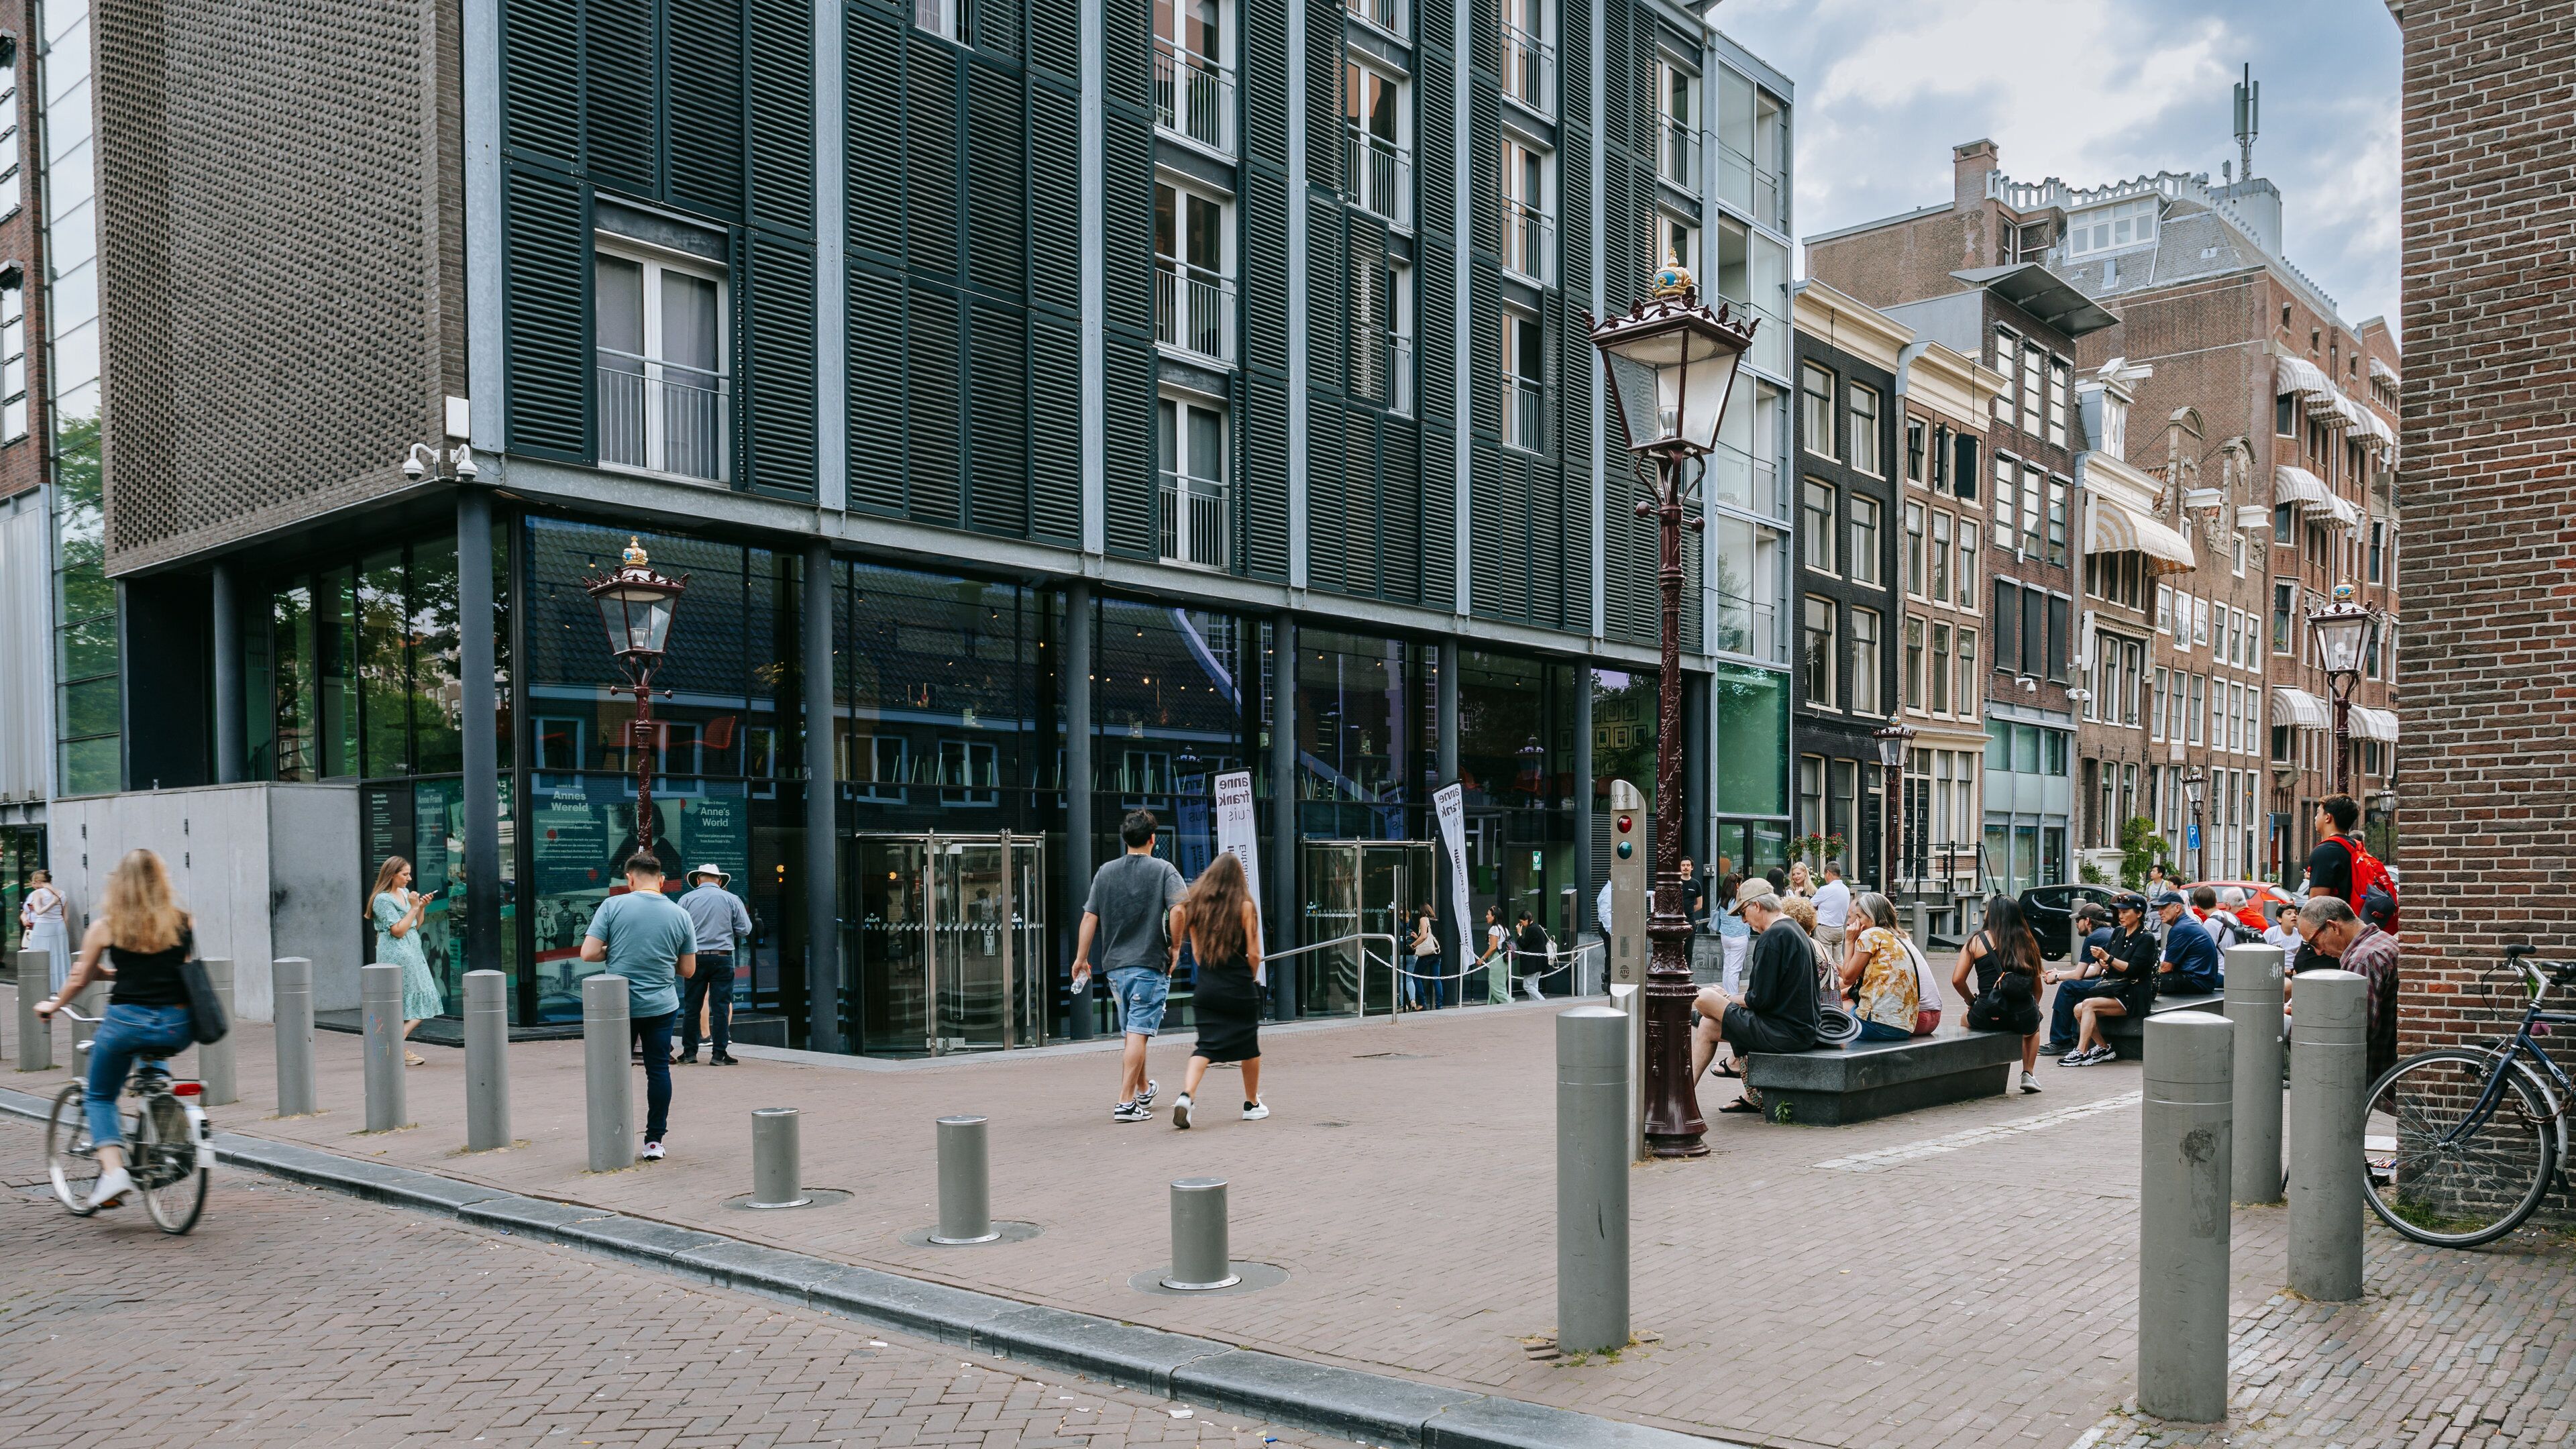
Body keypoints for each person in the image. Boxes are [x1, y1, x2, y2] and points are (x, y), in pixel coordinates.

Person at [33, 849, 200, 1211]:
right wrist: (113, 974)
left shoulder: (107, 927)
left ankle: (113, 1173)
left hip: (127, 1022)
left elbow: (77, 979)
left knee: (100, 1095)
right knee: (154, 1072)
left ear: (119, 884)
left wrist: (53, 1005)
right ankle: (168, 1146)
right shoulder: (184, 921)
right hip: (177, 1024)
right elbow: (173, 972)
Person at [579, 852, 698, 1160]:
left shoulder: (613, 905)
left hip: (618, 1006)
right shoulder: (680, 914)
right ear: (661, 881)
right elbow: (688, 971)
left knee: (612, 1070)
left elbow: (588, 954)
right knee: (658, 1070)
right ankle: (654, 1141)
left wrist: (614, 951)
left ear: (629, 878)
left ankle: (611, 1137)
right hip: (661, 1005)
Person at [1072, 810, 1187, 1123]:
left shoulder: (1105, 872)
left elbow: (1089, 918)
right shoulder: (1164, 870)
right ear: (1153, 839)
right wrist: (1175, 947)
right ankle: (1125, 1103)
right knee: (1138, 1031)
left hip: (1115, 969)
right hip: (1149, 964)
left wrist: (1081, 959)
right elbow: (1178, 910)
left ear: (1125, 840)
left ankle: (1143, 1088)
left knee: (1134, 1031)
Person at [1691, 879, 1823, 1111]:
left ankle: (1702, 1024)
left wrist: (1725, 1000)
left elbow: (1759, 1000)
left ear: (1757, 907)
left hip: (1782, 1032)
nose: (1744, 920)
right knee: (1708, 1026)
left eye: (1743, 912)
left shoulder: (1772, 938)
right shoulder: (1795, 930)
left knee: (1704, 997)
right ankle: (1684, 1095)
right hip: (1798, 1030)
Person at [1166, 852, 1267, 1128]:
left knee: (1205, 1046)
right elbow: (1255, 954)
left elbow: (1197, 956)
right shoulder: (1245, 906)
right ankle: (1251, 1104)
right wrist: (1248, 977)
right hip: (1239, 987)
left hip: (1207, 988)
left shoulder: (1196, 907)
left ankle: (1187, 1096)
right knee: (1249, 1047)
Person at [2295, 895, 2402, 1083]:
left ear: (2333, 927)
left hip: (2376, 1074)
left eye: (2314, 943)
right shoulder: (2381, 940)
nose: (2318, 952)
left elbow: (2352, 1030)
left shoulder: (2362, 960)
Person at [1956, 894, 2045, 1092]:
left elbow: (1957, 980)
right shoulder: (2029, 943)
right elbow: (2038, 988)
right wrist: (2032, 1008)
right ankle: (2028, 1074)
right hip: (2021, 1014)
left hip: (1988, 1010)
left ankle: (1975, 1067)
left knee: (1964, 1021)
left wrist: (1971, 1001)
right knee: (2034, 1029)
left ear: (1991, 914)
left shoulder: (1976, 942)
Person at [2061, 894, 2160, 1066]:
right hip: (2115, 989)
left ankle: (2082, 1052)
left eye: (2125, 912)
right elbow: (2109, 961)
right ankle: (2103, 1047)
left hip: (2133, 993)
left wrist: (2108, 958)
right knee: (2079, 1008)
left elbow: (2132, 969)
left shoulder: (2146, 938)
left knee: (2088, 1005)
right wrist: (2104, 962)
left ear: (2139, 913)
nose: (2120, 916)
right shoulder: (2118, 932)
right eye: (2119, 912)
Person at [367, 856, 443, 1067]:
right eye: (405, 874)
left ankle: (394, 1046)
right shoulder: (383, 899)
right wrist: (413, 908)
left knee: (413, 1002)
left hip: (412, 950)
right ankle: (395, 1043)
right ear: (392, 875)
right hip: (397, 952)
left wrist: (421, 907)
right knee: (415, 1002)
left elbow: (415, 926)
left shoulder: (405, 894)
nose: (409, 878)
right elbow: (398, 931)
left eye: (409, 873)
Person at [675, 863, 751, 1065]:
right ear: (719, 881)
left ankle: (689, 1053)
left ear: (699, 880)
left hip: (694, 957)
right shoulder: (732, 899)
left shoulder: (686, 899)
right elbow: (745, 929)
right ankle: (719, 1054)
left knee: (692, 1006)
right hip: (722, 957)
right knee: (721, 1007)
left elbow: (677, 929)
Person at [1837, 892, 1921, 1043]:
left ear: (1871, 916)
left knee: (1831, 1015)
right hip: (1904, 1026)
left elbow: (1848, 978)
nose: (1857, 922)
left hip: (1875, 1023)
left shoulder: (1871, 935)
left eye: (1860, 917)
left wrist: (1849, 941)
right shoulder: (1899, 936)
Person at [2040, 902, 2115, 1056]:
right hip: (2111, 981)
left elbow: (2078, 975)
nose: (2076, 924)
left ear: (2087, 921)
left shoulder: (2093, 938)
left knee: (2068, 987)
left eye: (2078, 920)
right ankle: (2074, 1035)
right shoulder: (2108, 932)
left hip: (2111, 984)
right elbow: (2096, 970)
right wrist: (2059, 971)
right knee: (2076, 986)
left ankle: (2060, 1041)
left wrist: (2058, 977)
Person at [2154, 889, 2224, 995]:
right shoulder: (2187, 924)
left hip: (2196, 982)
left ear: (2177, 908)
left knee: (2146, 981)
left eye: (2163, 908)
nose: (2159, 912)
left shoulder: (2180, 929)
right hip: (2204, 980)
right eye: (2158, 909)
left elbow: (2166, 967)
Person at [20, 867, 72, 995]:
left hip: (43, 926)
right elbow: (66, 917)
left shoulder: (38, 893)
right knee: (60, 956)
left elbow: (39, 911)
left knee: (39, 956)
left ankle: (39, 987)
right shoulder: (62, 893)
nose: (33, 886)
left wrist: (52, 903)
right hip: (60, 927)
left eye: (33, 882)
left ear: (38, 881)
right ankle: (61, 988)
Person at [1713, 873, 1752, 994]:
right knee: (1735, 969)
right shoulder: (1740, 901)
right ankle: (1732, 997)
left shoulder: (1723, 899)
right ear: (1737, 885)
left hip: (1725, 936)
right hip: (1739, 936)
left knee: (1728, 967)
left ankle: (1726, 994)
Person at [1810, 861, 1851, 957]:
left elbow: (1810, 905)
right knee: (1838, 960)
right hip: (1839, 929)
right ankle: (1842, 973)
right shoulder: (1846, 890)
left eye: (1825, 875)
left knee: (1826, 960)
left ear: (1828, 873)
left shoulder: (1825, 889)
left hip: (1825, 929)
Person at [1405, 902, 1439, 1011]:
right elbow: (1430, 935)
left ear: (1422, 911)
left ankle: (1422, 1003)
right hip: (1436, 952)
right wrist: (1417, 936)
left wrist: (1414, 944)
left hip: (1427, 953)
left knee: (1416, 976)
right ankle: (1440, 1005)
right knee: (1436, 979)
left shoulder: (1423, 919)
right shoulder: (1435, 919)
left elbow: (1424, 936)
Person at [1513, 908, 1552, 1001]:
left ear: (1527, 920)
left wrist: (1519, 934)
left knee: (1527, 985)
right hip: (1539, 961)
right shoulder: (1538, 927)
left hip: (1532, 962)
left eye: (1521, 921)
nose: (1521, 924)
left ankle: (1542, 1002)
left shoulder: (1532, 930)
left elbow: (1523, 944)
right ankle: (1534, 1005)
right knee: (1533, 985)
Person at [2190, 885, 2245, 949]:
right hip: (2235, 958)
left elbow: (2206, 950)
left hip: (2223, 959)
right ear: (2216, 900)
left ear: (2198, 906)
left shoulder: (2210, 924)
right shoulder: (2232, 916)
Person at [1478, 904, 1512, 1004]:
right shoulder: (1504, 929)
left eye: (1488, 914)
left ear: (1494, 917)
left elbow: (1493, 947)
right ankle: (1491, 1008)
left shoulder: (1494, 929)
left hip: (1497, 959)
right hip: (1505, 960)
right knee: (1496, 987)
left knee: (1497, 989)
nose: (1486, 916)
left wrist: (1482, 958)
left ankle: (1513, 1004)